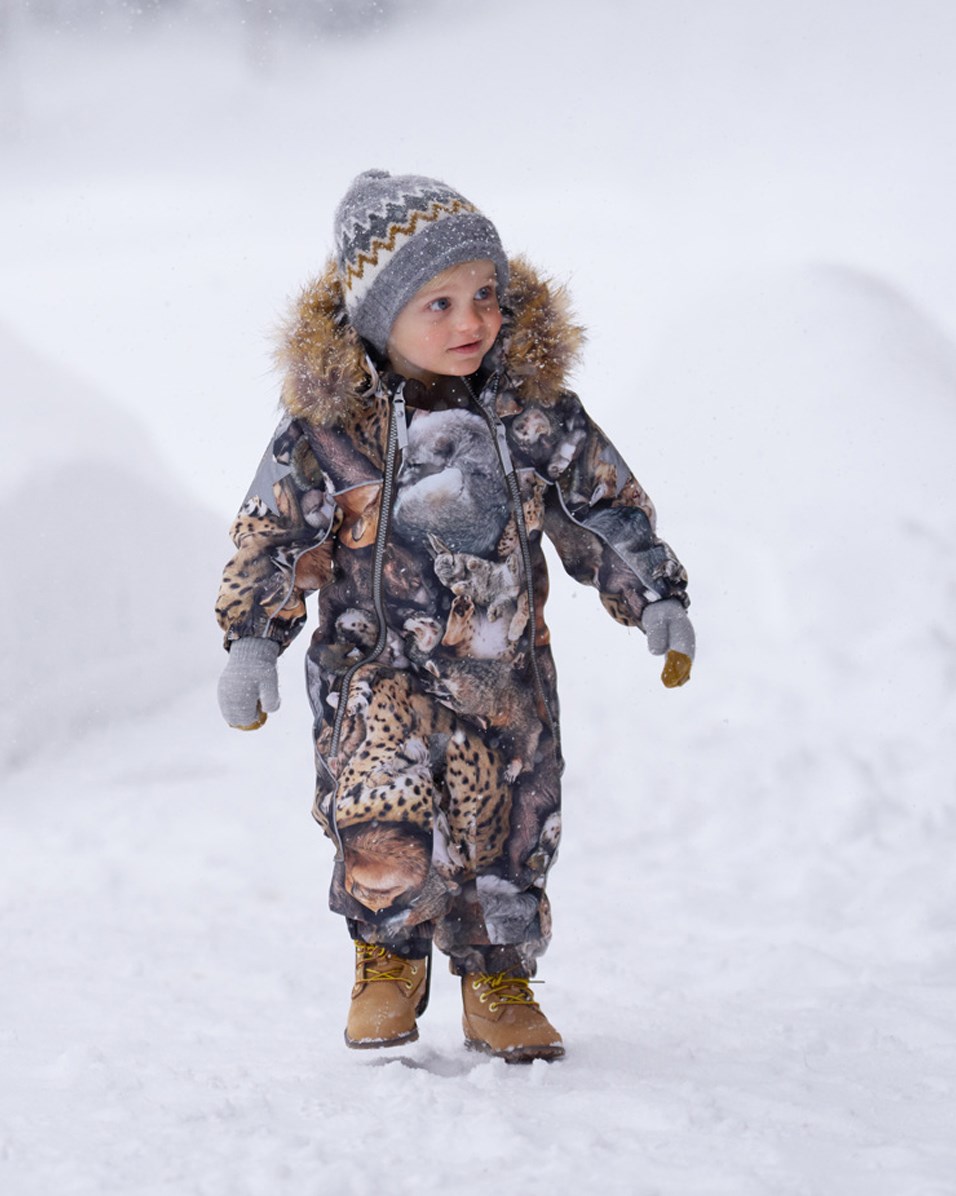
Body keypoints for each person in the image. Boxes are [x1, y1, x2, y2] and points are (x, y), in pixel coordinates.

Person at [215, 169, 695, 1062]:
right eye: (437, 303)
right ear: (374, 316)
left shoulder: (530, 409)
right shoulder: (326, 426)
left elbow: (600, 506)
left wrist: (654, 592)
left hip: (504, 671)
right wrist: (254, 637)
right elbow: (276, 536)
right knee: (377, 817)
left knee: (511, 823)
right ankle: (388, 960)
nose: (471, 321)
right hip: (372, 676)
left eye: (484, 295)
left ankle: (499, 979)